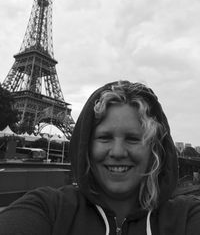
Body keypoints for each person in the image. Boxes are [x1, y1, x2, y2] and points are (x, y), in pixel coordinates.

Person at [0, 80, 200, 235]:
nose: (118, 152)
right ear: (86, 145)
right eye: (104, 138)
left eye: (132, 139)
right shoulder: (49, 208)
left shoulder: (187, 216)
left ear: (153, 149)